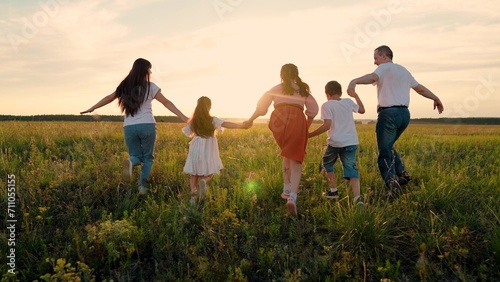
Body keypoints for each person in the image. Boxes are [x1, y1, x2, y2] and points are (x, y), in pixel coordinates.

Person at [81, 58, 188, 195]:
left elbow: (108, 97)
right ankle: (142, 187)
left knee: (136, 155)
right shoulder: (151, 86)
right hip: (147, 125)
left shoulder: (124, 86)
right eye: (149, 68)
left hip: (129, 127)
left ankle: (131, 162)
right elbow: (166, 102)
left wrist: (93, 108)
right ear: (145, 70)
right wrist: (182, 116)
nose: (150, 71)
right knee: (148, 158)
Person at [347, 45, 444, 197]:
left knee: (384, 153)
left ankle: (394, 187)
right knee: (388, 146)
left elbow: (372, 77)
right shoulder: (404, 71)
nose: (375, 62)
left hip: (389, 114)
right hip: (404, 115)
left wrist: (354, 81)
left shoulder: (384, 68)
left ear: (384, 56)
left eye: (376, 58)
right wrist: (436, 98)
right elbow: (420, 89)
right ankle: (402, 174)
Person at [244, 63, 319, 216]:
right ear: (296, 74)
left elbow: (261, 108)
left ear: (282, 74)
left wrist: (250, 120)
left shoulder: (276, 88)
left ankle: (286, 187)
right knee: (296, 159)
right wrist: (305, 127)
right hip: (296, 118)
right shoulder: (303, 89)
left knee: (287, 152)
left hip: (278, 120)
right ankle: (292, 197)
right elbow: (313, 110)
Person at [308, 81, 365, 205]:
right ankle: (357, 198)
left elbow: (327, 125)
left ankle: (333, 191)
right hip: (350, 142)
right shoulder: (348, 102)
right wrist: (355, 96)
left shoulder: (327, 105)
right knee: (352, 169)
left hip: (335, 143)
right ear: (340, 93)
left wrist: (309, 135)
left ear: (327, 94)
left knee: (327, 163)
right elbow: (362, 110)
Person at [182, 96, 247, 205]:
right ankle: (204, 180)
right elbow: (226, 124)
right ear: (209, 106)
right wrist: (241, 126)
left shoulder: (194, 120)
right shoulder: (212, 119)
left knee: (194, 172)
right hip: (209, 145)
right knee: (211, 168)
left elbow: (188, 132)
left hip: (196, 145)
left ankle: (193, 197)